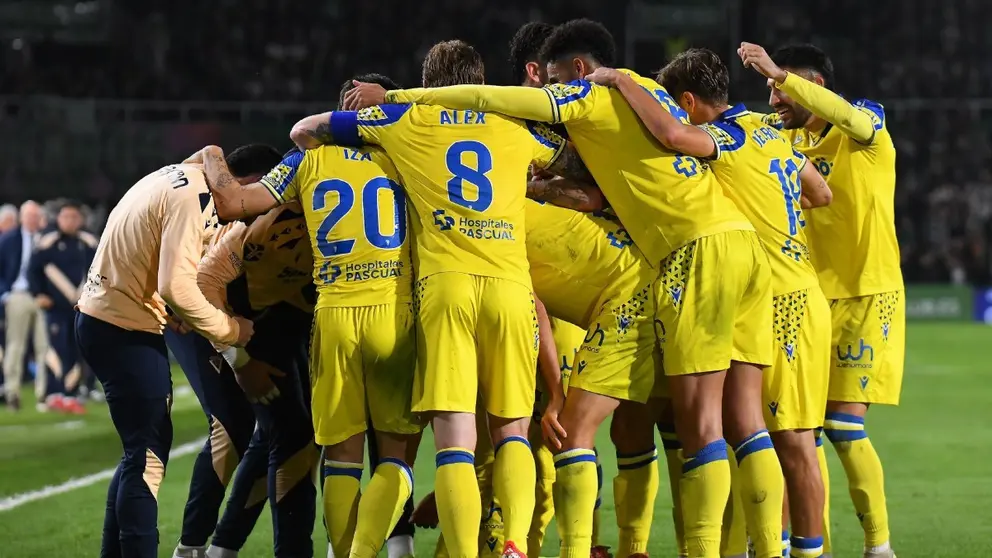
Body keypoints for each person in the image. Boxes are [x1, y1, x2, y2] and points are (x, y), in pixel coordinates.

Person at [348, 19, 781, 558]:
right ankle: (755, 547)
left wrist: (398, 98)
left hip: (674, 261)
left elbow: (486, 99)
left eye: (549, 80)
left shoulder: (584, 99)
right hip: (729, 249)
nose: (543, 90)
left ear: (576, 72)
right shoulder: (645, 92)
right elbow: (599, 193)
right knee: (725, 422)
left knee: (654, 427)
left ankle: (639, 549)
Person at [288, 40, 593, 558]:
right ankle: (515, 544)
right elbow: (577, 162)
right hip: (510, 287)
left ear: (429, 84)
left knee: (455, 439)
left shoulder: (406, 122)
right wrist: (539, 187)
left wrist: (386, 105)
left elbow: (305, 131)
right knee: (512, 430)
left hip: (444, 287)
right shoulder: (515, 128)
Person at [586, 47, 836, 558]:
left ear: (690, 100)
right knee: (755, 426)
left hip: (781, 297)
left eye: (679, 105)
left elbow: (674, 135)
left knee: (789, 438)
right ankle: (770, 548)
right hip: (788, 285)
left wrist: (621, 80)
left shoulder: (730, 136)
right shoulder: (768, 133)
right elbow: (820, 193)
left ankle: (798, 550)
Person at [199, 73, 425, 558]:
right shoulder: (411, 153)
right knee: (398, 453)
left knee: (339, 458)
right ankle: (389, 549)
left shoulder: (307, 159)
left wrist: (212, 156)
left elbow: (234, 201)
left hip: (334, 316)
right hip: (394, 312)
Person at [738, 41, 902, 558]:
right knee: (795, 430)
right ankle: (811, 546)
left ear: (815, 86)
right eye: (769, 89)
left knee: (842, 425)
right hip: (807, 300)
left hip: (867, 293)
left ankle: (879, 548)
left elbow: (850, 116)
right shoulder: (787, 146)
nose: (774, 98)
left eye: (781, 88)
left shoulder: (865, 129)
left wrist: (778, 73)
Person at [74, 146, 279, 558]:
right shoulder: (196, 199)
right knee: (147, 458)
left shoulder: (178, 176)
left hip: (107, 318)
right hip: (123, 326)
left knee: (139, 451)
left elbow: (203, 157)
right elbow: (176, 287)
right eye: (259, 197)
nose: (250, 211)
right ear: (248, 184)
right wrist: (234, 332)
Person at [192, 203, 319, 558]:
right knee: (293, 436)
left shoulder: (306, 201)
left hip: (282, 318)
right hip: (226, 321)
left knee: (273, 436)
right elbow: (201, 284)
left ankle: (222, 548)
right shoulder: (251, 224)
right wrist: (240, 360)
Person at [27, 200, 98, 414]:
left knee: (78, 350)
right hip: (56, 308)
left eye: (74, 217)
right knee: (56, 349)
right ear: (58, 219)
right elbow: (33, 270)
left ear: (81, 220)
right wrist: (39, 293)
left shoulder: (89, 243)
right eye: (65, 217)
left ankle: (71, 393)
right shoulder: (47, 243)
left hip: (82, 308)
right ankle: (54, 393)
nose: (70, 221)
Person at [0, 200, 50, 412]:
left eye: (35, 216)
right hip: (18, 295)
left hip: (42, 297)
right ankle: (12, 392)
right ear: (22, 218)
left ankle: (42, 394)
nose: (32, 220)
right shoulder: (9, 239)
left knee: (44, 347)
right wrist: (4, 295)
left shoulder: (46, 240)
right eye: (28, 216)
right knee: (16, 345)